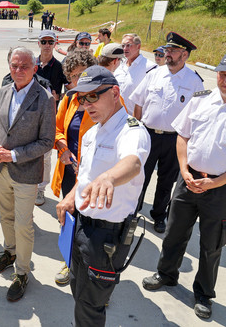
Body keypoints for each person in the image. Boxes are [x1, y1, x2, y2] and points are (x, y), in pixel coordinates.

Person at [142, 50, 226, 320]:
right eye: (223, 74)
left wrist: (217, 182)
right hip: (188, 180)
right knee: (175, 232)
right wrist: (185, 170)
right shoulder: (200, 100)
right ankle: (166, 274)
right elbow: (183, 136)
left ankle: (203, 294)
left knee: (212, 244)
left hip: (224, 187)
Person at [56, 65, 150, 326]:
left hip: (108, 235)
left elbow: (132, 163)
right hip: (82, 226)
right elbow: (85, 177)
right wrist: (70, 197)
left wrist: (109, 177)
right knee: (79, 290)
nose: (86, 104)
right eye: (81, 98)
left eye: (93, 96)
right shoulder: (91, 132)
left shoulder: (132, 130)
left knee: (92, 305)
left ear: (115, 92)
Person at [0, 47, 56, 301]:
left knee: (23, 224)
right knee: (5, 216)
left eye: (24, 66)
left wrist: (14, 155)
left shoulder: (45, 98)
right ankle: (10, 252)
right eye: (14, 65)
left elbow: (47, 141)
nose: (18, 70)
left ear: (34, 68)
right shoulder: (5, 90)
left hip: (25, 172)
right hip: (0, 168)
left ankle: (22, 272)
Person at [130, 32, 204, 233]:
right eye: (167, 50)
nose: (167, 54)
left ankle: (159, 215)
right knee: (139, 175)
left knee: (166, 181)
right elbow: (139, 102)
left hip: (174, 139)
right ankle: (132, 210)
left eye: (173, 51)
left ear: (185, 55)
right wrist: (137, 129)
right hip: (148, 135)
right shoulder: (154, 74)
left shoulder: (194, 81)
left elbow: (198, 115)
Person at [50, 49, 97, 286]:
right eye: (73, 76)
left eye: (82, 74)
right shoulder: (69, 98)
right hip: (69, 170)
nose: (77, 81)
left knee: (91, 223)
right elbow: (56, 128)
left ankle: (94, 273)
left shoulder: (107, 98)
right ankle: (69, 261)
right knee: (68, 218)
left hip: (94, 174)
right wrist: (63, 148)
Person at [35, 30, 67, 206]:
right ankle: (29, 186)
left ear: (55, 44)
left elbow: (70, 91)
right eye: (44, 41)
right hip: (31, 116)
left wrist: (58, 97)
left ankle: (40, 189)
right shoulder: (30, 63)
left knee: (45, 156)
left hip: (50, 117)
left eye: (50, 42)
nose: (47, 45)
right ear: (38, 43)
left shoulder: (60, 67)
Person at [113, 33, 157, 113]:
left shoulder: (149, 67)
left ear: (138, 47)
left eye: (128, 45)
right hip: (116, 115)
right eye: (123, 46)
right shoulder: (119, 66)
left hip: (136, 118)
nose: (125, 49)